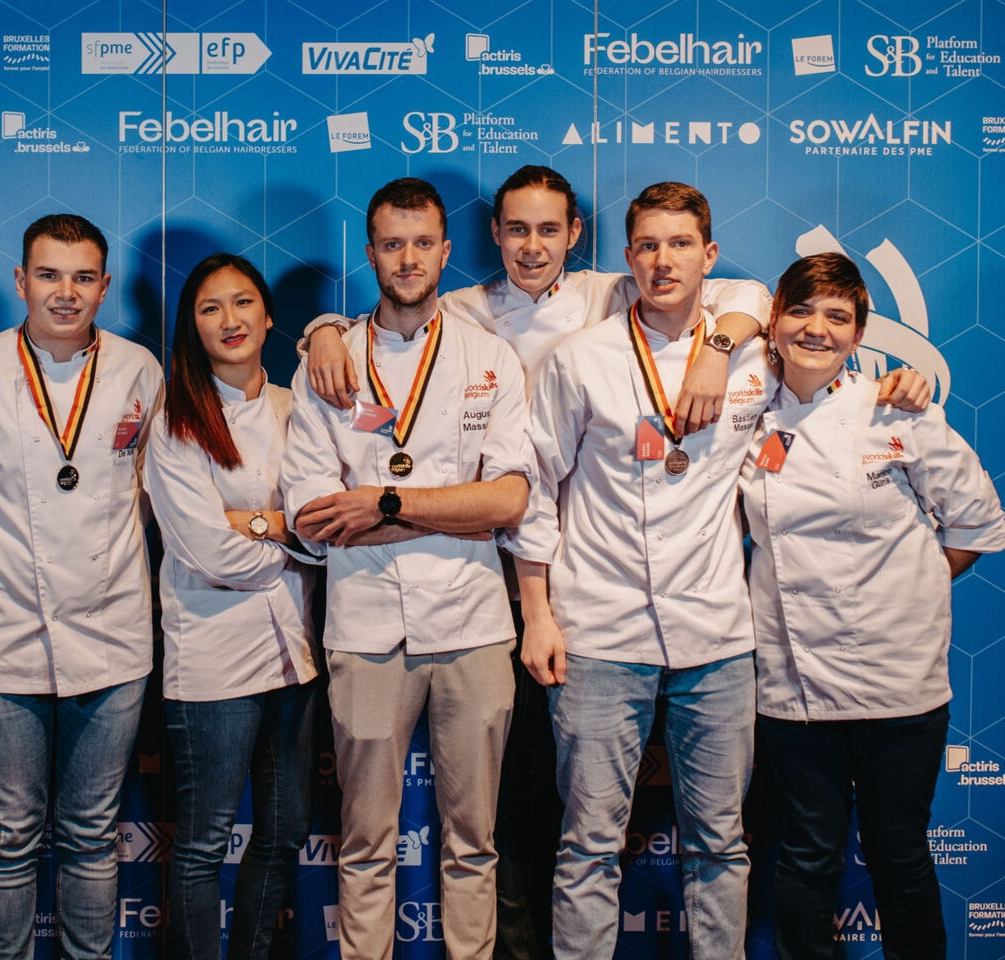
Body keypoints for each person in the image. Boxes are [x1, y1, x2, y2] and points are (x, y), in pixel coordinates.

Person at [303, 164, 770, 960]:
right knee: (524, 829)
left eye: (549, 229)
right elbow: (378, 338)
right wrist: (318, 330)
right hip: (545, 602)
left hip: (527, 599)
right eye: (516, 229)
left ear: (579, 238)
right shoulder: (455, 309)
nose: (532, 245)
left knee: (526, 828)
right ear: (487, 239)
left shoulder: (605, 296)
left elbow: (754, 295)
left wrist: (718, 347)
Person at [517, 183, 930, 960]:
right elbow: (536, 489)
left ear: (709, 256)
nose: (662, 261)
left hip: (717, 640)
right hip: (598, 635)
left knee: (721, 846)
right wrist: (537, 613)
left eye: (680, 245)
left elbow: (824, 390)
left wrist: (901, 386)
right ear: (627, 258)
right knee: (588, 847)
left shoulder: (755, 355)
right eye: (646, 246)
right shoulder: (580, 361)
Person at [281, 177, 531, 960]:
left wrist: (383, 505)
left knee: (474, 842)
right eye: (393, 244)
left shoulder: (491, 358)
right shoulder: (327, 363)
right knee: (363, 840)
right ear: (370, 253)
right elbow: (315, 517)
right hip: (362, 631)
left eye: (424, 243)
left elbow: (510, 499)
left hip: (474, 629)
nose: (409, 258)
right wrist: (449, 510)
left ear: (448, 252)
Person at [741, 252, 1005, 959]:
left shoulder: (898, 408)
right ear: (774, 320)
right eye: (801, 310)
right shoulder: (745, 414)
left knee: (899, 853)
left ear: (859, 335)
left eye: (837, 317)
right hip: (794, 684)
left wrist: (906, 590)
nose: (816, 329)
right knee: (804, 855)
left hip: (899, 684)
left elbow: (976, 521)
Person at [0, 214, 164, 959]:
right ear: (21, 281)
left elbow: (160, 496)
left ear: (104, 285)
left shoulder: (139, 370)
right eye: (50, 275)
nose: (66, 293)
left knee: (93, 835)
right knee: (7, 838)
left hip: (111, 636)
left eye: (84, 276)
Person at [147, 253, 320, 959]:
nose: (229, 320)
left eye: (242, 302)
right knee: (203, 844)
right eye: (210, 308)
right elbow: (206, 553)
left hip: (297, 657)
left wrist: (252, 521)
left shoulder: (300, 407)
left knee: (282, 836)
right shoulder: (175, 423)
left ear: (268, 315)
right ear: (192, 326)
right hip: (214, 662)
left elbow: (328, 529)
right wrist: (285, 527)